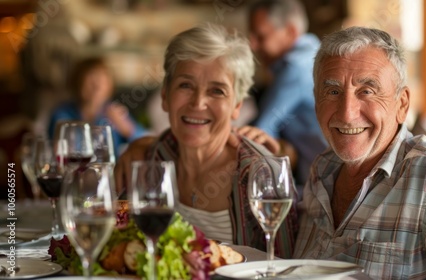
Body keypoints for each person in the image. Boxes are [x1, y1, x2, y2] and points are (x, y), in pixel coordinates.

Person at [292, 26, 426, 279]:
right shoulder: (323, 169)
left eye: (366, 91)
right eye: (333, 91)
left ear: (401, 105)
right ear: (316, 102)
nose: (347, 113)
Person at [115, 23, 297, 258]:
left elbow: (282, 269)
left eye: (217, 91)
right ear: (164, 96)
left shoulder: (261, 173)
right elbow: (120, 248)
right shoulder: (148, 158)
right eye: (185, 85)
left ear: (237, 106)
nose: (198, 103)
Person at [246, 0, 328, 186]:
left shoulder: (295, 68)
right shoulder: (314, 55)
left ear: (290, 31)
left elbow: (258, 134)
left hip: (322, 187)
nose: (252, 45)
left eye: (260, 36)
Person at [47, 57, 148, 157]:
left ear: (110, 86)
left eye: (101, 80)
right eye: (90, 79)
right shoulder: (62, 113)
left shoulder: (115, 112)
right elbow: (64, 151)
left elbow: (146, 143)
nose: (96, 86)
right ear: (77, 83)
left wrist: (126, 128)